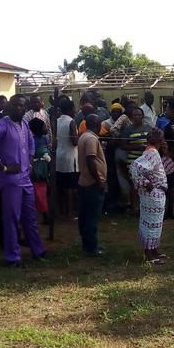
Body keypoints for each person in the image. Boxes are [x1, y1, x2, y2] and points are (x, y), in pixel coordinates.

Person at [0, 95, 50, 267]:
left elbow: (31, 144)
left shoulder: (25, 124)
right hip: (10, 180)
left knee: (30, 217)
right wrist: (1, 166)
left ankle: (37, 250)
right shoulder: (2, 124)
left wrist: (30, 161)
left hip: (26, 179)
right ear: (10, 106)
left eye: (22, 106)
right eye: (16, 105)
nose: (20, 108)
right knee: (11, 219)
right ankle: (13, 257)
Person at [130, 128, 169, 264]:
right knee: (151, 224)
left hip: (155, 195)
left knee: (155, 224)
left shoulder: (152, 152)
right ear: (159, 140)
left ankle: (154, 250)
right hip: (153, 195)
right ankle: (149, 255)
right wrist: (146, 183)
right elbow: (134, 168)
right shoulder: (152, 153)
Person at [76, 114, 107, 257]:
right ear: (98, 125)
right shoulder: (91, 139)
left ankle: (86, 245)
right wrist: (99, 180)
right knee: (92, 217)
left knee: (85, 216)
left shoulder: (84, 136)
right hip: (92, 183)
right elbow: (91, 160)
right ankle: (92, 247)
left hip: (85, 181)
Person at [54, 97, 80, 219]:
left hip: (59, 157)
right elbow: (74, 142)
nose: (75, 111)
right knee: (70, 187)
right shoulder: (71, 122)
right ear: (70, 109)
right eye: (74, 108)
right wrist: (81, 137)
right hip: (70, 158)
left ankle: (61, 211)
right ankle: (70, 212)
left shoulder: (56, 121)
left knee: (61, 186)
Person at [29, 118, 52, 223]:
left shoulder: (44, 138)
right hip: (37, 168)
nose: (46, 128)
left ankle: (44, 212)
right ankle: (44, 214)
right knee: (39, 192)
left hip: (44, 167)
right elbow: (31, 156)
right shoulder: (32, 140)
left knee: (44, 191)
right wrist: (33, 170)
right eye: (43, 126)